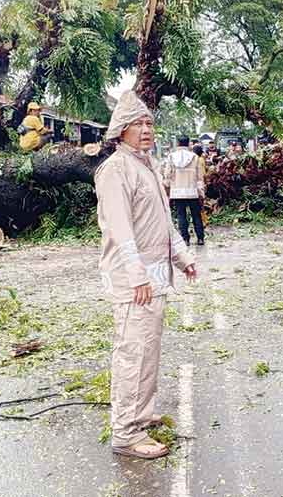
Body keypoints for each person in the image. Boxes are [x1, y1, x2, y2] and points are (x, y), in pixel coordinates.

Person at [95, 91, 198, 459]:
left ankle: (141, 414)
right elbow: (120, 230)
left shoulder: (148, 166)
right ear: (120, 130)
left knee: (148, 349)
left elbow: (164, 224)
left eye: (149, 123)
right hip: (132, 280)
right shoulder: (115, 170)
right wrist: (137, 275)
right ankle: (125, 433)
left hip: (153, 277)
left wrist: (183, 257)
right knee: (133, 353)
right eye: (137, 124)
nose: (145, 130)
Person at [164, 135, 206, 246]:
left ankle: (185, 239)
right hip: (192, 191)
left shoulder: (171, 157)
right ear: (188, 144)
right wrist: (201, 192)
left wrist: (167, 188)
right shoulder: (195, 157)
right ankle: (200, 238)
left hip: (177, 192)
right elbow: (199, 177)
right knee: (196, 215)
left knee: (181, 215)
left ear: (178, 143)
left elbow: (167, 174)